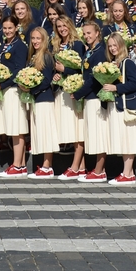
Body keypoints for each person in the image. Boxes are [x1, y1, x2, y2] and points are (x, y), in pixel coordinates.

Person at [72, 21, 109, 183]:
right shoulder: (91, 51)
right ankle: (98, 169)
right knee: (92, 134)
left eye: (89, 33)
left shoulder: (100, 51)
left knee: (98, 134)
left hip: (95, 97)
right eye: (84, 33)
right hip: (89, 97)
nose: (87, 36)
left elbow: (95, 79)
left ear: (97, 33)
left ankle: (100, 171)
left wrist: (78, 92)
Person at [0, 16, 30, 177]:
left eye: (10, 28)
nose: (7, 31)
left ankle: (17, 164)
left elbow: (18, 70)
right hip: (5, 90)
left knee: (17, 128)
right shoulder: (3, 45)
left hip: (14, 90)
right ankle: (20, 165)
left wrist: (2, 84)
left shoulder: (20, 46)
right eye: (5, 28)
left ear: (16, 28)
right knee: (13, 128)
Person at [103, 34, 136, 185]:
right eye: (110, 46)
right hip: (115, 106)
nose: (113, 48)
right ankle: (129, 172)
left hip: (126, 107)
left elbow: (133, 84)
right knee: (122, 139)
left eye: (115, 45)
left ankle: (127, 174)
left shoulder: (127, 62)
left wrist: (115, 87)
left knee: (128, 139)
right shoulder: (111, 63)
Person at [52, 16, 86, 179]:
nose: (62, 29)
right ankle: (81, 167)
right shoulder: (56, 45)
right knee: (70, 129)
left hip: (73, 91)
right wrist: (56, 75)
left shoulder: (77, 44)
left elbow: (81, 70)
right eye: (59, 26)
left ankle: (75, 166)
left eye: (64, 25)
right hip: (61, 91)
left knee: (76, 129)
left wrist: (65, 69)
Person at [25, 26, 60, 179]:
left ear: (44, 39)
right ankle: (45, 166)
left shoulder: (46, 56)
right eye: (33, 38)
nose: (35, 41)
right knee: (40, 132)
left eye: (38, 38)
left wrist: (31, 88)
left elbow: (46, 81)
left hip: (44, 99)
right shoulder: (34, 56)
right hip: (37, 99)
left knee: (46, 132)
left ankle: (47, 166)